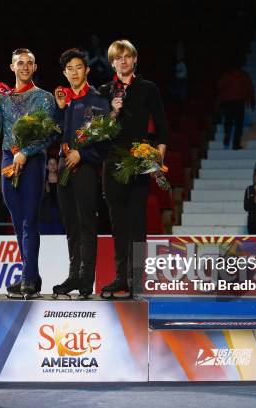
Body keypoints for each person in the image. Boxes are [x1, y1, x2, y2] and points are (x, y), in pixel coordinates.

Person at [98, 39, 168, 297]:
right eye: (118, 57)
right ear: (112, 62)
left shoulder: (148, 88)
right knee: (118, 224)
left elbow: (161, 127)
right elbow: (97, 132)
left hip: (139, 161)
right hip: (112, 162)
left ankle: (136, 280)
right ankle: (120, 278)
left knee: (137, 223)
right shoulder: (103, 91)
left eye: (127, 56)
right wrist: (112, 114)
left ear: (135, 59)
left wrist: (158, 157)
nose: (123, 61)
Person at [0, 48, 56, 298]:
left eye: (29, 63)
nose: (25, 67)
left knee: (29, 221)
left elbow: (49, 134)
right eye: (20, 63)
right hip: (8, 159)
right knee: (17, 223)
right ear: (12, 67)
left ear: (35, 67)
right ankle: (32, 276)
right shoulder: (2, 98)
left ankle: (27, 278)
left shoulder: (44, 98)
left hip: (33, 161)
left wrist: (26, 151)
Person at [51, 48, 111, 297]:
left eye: (78, 67)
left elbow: (104, 142)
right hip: (65, 168)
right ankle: (73, 275)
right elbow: (54, 133)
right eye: (69, 69)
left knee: (87, 224)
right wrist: (60, 109)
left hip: (85, 169)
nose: (74, 72)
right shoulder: (64, 101)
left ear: (86, 70)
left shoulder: (96, 100)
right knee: (71, 226)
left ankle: (87, 280)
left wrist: (82, 155)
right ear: (65, 73)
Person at [218, 62, 255, 149]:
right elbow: (250, 88)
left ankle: (227, 136)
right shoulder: (245, 76)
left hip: (228, 102)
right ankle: (236, 144)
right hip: (239, 102)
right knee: (238, 125)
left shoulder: (226, 75)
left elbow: (220, 86)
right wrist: (252, 102)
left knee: (228, 122)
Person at [40, 156, 64, 235]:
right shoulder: (42, 180)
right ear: (47, 166)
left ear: (57, 165)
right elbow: (38, 199)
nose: (53, 165)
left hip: (60, 214)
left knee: (60, 236)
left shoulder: (62, 179)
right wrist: (46, 192)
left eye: (55, 164)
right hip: (46, 215)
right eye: (50, 164)